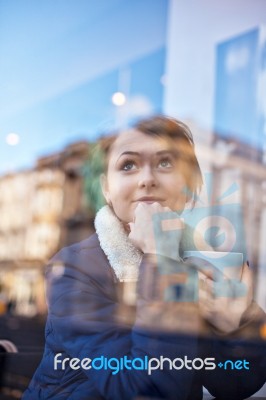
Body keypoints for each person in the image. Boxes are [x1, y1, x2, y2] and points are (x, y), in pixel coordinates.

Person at [23, 116, 266, 400]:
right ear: (106, 189)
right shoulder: (74, 267)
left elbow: (237, 384)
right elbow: (141, 389)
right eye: (128, 165)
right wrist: (161, 259)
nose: (147, 179)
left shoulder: (203, 258)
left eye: (165, 163)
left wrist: (233, 331)